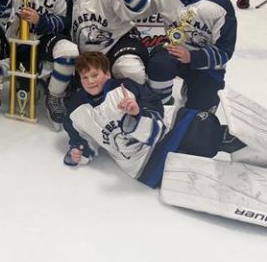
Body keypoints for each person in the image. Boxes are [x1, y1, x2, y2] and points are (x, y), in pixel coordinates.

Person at [61, 51, 236, 188]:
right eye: (85, 77)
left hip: (169, 128)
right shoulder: (75, 110)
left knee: (205, 130)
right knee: (197, 171)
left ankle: (239, 142)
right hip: (144, 163)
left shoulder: (124, 87)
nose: (90, 81)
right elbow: (82, 141)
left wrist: (138, 114)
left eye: (94, 75)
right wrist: (77, 153)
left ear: (107, 74)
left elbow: (154, 105)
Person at [0, 0, 78, 129]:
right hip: (18, 42)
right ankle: (37, 80)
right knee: (25, 97)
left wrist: (40, 21)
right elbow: (0, 12)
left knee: (70, 53)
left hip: (45, 40)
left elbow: (65, 22)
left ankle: (54, 97)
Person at [142, 0, 237, 110]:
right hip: (173, 52)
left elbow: (225, 51)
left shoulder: (220, 4)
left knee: (200, 113)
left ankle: (194, 89)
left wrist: (193, 57)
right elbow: (135, 4)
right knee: (159, 64)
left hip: (205, 64)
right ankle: (161, 104)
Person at [70, 0, 149, 84]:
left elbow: (140, 6)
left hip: (119, 43)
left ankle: (145, 98)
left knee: (130, 70)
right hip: (91, 55)